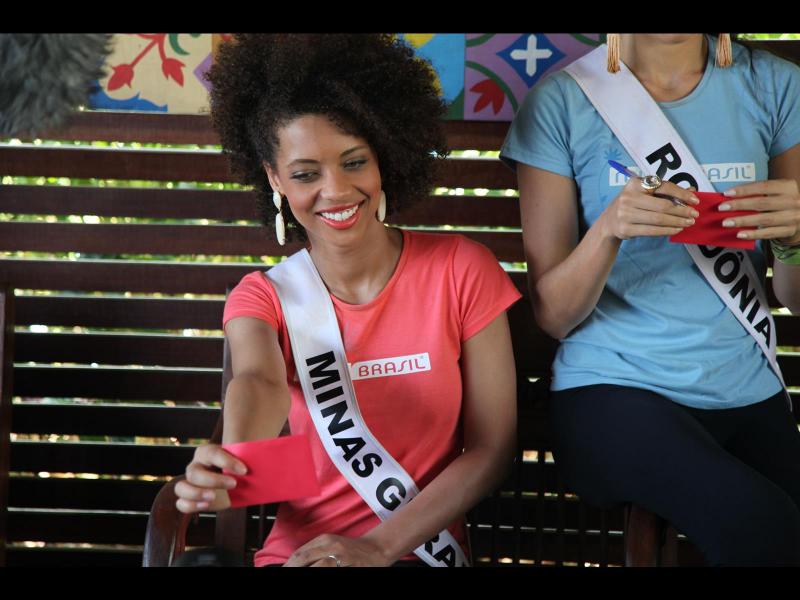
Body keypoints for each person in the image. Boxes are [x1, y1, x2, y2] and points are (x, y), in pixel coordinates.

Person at [173, 34, 521, 567]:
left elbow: (492, 450)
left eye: (354, 162)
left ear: (384, 157)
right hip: (298, 557)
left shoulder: (460, 269)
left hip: (421, 555)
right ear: (274, 178)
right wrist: (233, 465)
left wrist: (377, 547)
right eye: (305, 174)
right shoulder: (264, 296)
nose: (335, 191)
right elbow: (260, 382)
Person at [500, 33, 800, 566]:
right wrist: (609, 230)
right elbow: (552, 316)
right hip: (612, 390)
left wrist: (795, 239)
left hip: (749, 387)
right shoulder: (562, 101)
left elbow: (793, 298)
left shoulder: (777, 87)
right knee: (765, 527)